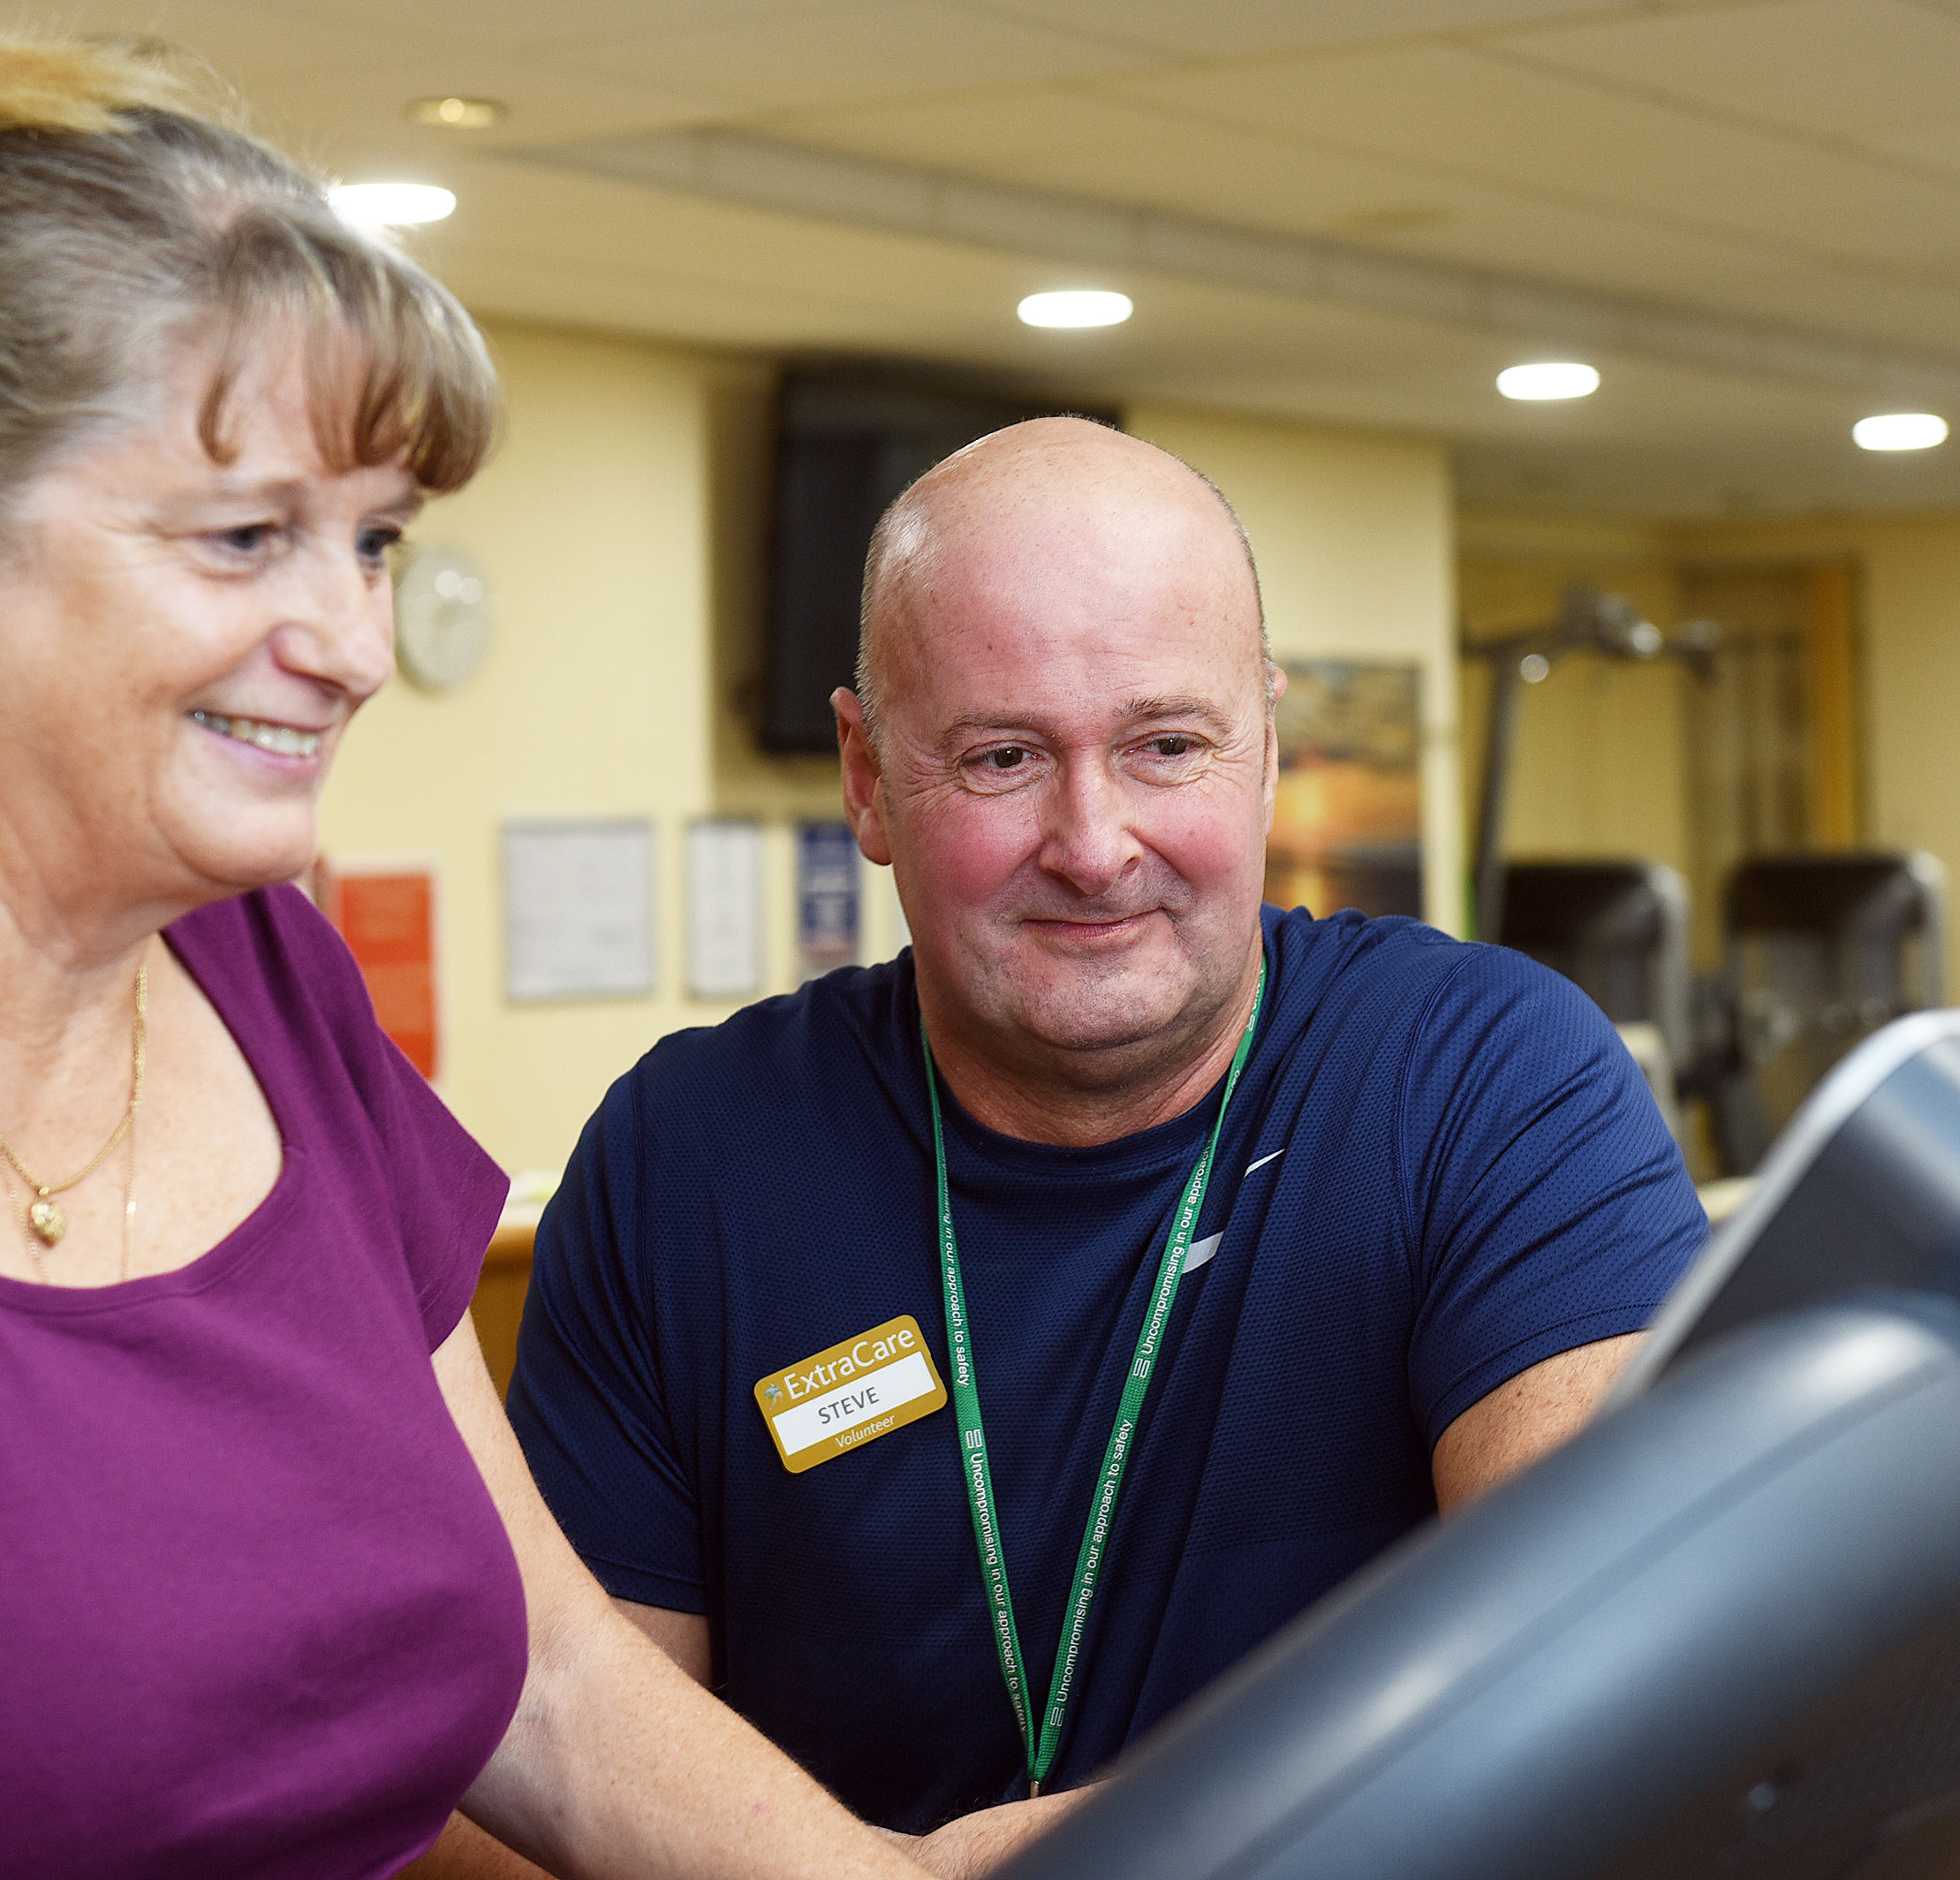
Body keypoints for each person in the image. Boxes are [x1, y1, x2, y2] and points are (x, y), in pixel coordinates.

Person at [0, 41, 936, 1880]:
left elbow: (549, 1681)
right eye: (247, 540)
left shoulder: (258, 972)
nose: (355, 639)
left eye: (374, 541)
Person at [497, 417, 1710, 1873]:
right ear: (868, 778)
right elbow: (549, 1774)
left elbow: (1604, 1653)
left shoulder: (1479, 1078)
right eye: (1003, 757)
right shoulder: (681, 1160)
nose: (1093, 841)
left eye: (1166, 747)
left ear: (1264, 749)